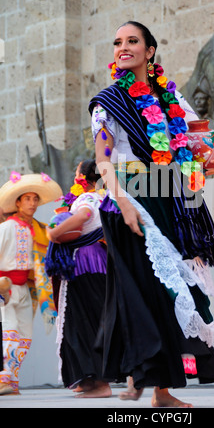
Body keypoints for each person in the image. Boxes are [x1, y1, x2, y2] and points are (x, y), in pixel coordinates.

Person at [88, 21, 214, 407]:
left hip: (169, 198)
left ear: (150, 50)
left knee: (174, 293)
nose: (123, 46)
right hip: (131, 200)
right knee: (147, 294)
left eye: (132, 41)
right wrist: (122, 203)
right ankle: (149, 379)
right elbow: (103, 160)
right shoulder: (109, 101)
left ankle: (160, 389)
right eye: (117, 41)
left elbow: (201, 143)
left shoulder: (172, 99)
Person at [45, 160, 111, 398]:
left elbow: (83, 216)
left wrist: (54, 232)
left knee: (81, 323)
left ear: (82, 176)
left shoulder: (86, 199)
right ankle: (88, 379)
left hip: (82, 262)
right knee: (92, 320)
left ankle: (100, 384)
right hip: (99, 261)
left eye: (76, 173)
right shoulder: (106, 197)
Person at [0, 172, 62, 395]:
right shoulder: (6, 228)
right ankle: (3, 378)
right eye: (27, 199)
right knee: (9, 331)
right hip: (5, 288)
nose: (32, 203)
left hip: (26, 288)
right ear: (17, 202)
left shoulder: (39, 229)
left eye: (35, 199)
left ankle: (12, 379)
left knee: (25, 335)